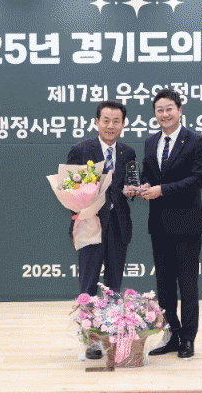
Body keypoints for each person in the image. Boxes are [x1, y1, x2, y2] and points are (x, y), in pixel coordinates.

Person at [138, 88, 202, 359]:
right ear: (155, 114)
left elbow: (198, 179)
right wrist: (143, 186)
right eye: (159, 110)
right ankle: (171, 335)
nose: (164, 114)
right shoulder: (150, 142)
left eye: (169, 108)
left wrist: (162, 190)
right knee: (164, 286)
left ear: (180, 110)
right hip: (159, 225)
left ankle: (188, 338)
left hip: (187, 224)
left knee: (188, 285)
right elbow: (148, 173)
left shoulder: (197, 141)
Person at [67, 100, 136, 359]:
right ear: (96, 122)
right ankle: (91, 340)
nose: (110, 126)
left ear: (123, 124)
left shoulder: (128, 152)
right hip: (90, 225)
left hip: (119, 226)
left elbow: (129, 184)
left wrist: (133, 191)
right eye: (105, 120)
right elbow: (70, 189)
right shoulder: (81, 150)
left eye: (116, 121)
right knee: (88, 285)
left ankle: (111, 335)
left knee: (113, 286)